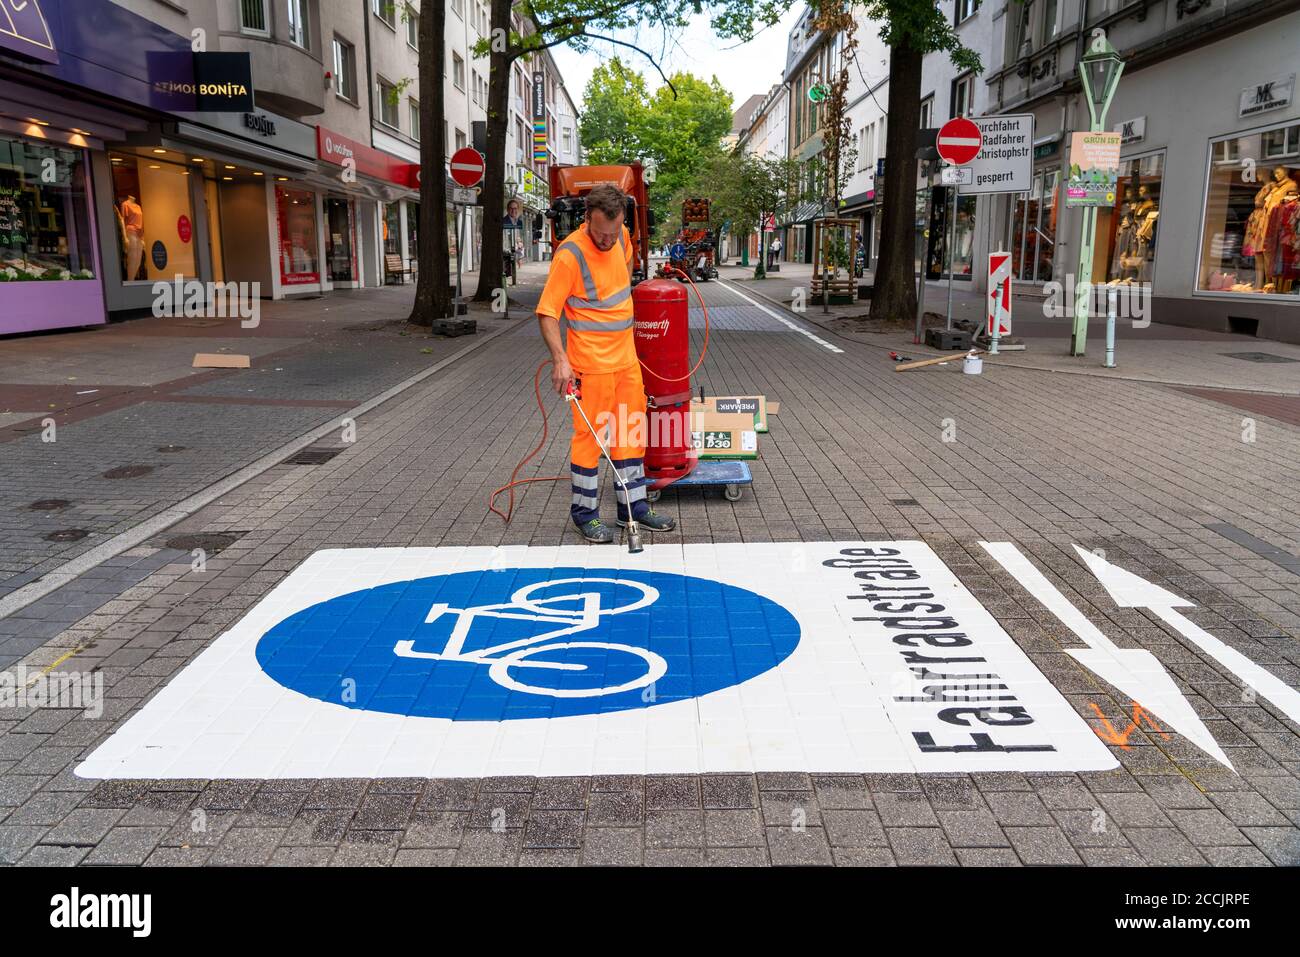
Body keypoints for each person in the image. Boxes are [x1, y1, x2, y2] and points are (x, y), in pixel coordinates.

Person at [535, 184, 676, 544]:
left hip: (625, 362)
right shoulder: (570, 255)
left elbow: (622, 276)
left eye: (613, 233)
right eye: (600, 233)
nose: (607, 240)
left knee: (630, 433)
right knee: (589, 439)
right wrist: (560, 361)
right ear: (587, 220)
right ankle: (584, 514)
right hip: (590, 365)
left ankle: (635, 508)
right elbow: (547, 313)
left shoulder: (623, 237)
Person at [503, 200, 525, 284]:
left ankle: (514, 278)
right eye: (511, 208)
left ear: (518, 210)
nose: (513, 211)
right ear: (508, 210)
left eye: (515, 208)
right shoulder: (504, 221)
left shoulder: (519, 222)